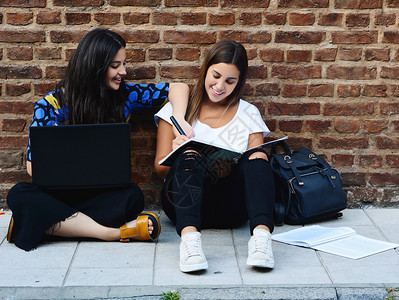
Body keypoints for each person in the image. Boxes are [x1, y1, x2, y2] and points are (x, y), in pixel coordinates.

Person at [6, 28, 193, 251]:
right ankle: (110, 234)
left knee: (133, 197)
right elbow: (32, 168)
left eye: (123, 64)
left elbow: (178, 88)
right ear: (94, 67)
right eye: (115, 66)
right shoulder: (50, 106)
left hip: (98, 195)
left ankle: (37, 223)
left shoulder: (124, 96)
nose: (123, 71)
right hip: (60, 194)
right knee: (19, 194)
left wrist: (179, 118)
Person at [154, 40, 276, 273]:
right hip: (182, 202)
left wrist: (228, 167)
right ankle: (190, 243)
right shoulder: (176, 110)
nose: (220, 86)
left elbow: (255, 167)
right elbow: (158, 169)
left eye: (230, 81)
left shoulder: (248, 112)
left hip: (230, 207)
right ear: (205, 70)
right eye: (216, 76)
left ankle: (261, 240)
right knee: (190, 153)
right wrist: (177, 153)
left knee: (258, 157)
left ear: (239, 82)